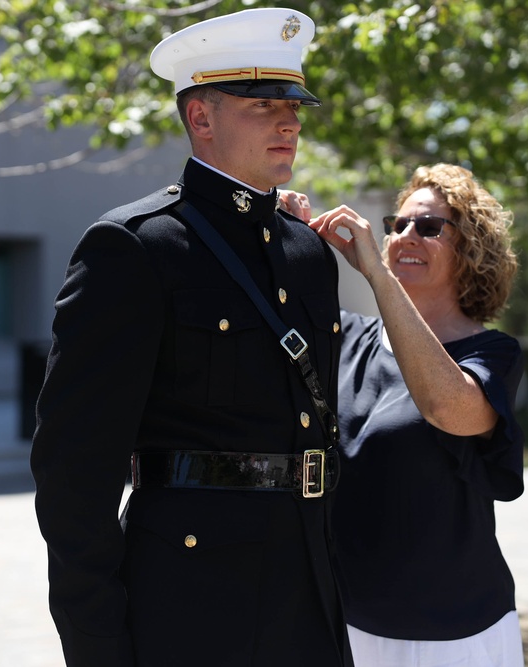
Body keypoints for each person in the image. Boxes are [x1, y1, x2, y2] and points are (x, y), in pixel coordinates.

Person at [30, 8, 352, 666]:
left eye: (293, 103)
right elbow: (74, 478)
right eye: (263, 104)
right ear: (200, 118)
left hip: (309, 597)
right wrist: (98, 650)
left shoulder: (308, 254)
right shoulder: (135, 247)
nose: (290, 121)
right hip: (192, 607)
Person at [283, 163, 526, 666]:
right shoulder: (345, 338)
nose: (406, 234)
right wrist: (276, 230)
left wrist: (377, 275)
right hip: (347, 624)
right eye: (398, 225)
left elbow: (446, 407)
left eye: (430, 227)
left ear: (471, 249)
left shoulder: (492, 353)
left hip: (453, 634)